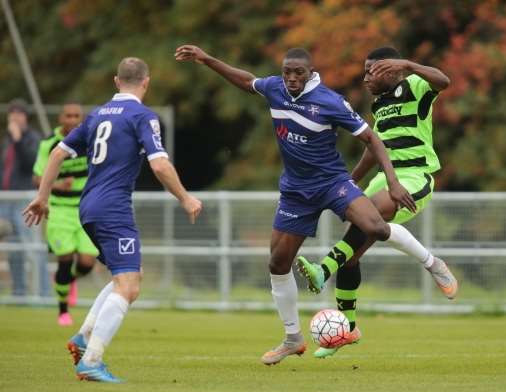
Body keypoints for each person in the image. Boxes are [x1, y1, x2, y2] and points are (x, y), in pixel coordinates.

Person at [175, 44, 440, 366]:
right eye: (287, 72)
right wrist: (207, 59)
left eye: (298, 73)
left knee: (373, 227)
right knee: (277, 262)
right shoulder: (274, 88)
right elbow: (246, 81)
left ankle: (429, 262)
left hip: (332, 183)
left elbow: (371, 139)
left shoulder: (330, 101)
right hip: (296, 192)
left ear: (310, 72)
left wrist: (393, 184)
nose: (291, 79)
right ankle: (292, 339)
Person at [23, 57, 202, 383]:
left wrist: (42, 196)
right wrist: (185, 197)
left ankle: (83, 337)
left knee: (131, 275)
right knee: (129, 287)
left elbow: (57, 153)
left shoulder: (97, 115)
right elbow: (160, 165)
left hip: (88, 206)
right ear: (146, 82)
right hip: (113, 209)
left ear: (116, 81)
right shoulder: (143, 116)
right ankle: (91, 360)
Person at [297, 47, 458, 358]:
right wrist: (350, 181)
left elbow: (445, 81)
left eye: (372, 70)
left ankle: (323, 270)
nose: (365, 77)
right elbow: (374, 149)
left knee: (363, 218)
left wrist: (409, 64)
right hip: (385, 178)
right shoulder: (379, 104)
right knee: (352, 256)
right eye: (365, 70)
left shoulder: (415, 86)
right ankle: (350, 329)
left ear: (392, 70)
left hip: (413, 177)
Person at [33, 102, 99, 326]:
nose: (72, 120)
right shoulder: (49, 144)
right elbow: (36, 177)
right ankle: (63, 311)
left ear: (81, 119)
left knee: (87, 263)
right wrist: (58, 185)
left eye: (76, 116)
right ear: (61, 118)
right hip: (59, 210)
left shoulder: (89, 140)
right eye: (68, 115)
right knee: (65, 259)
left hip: (85, 208)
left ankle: (67, 281)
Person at [0, 99, 49, 297]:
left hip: (24, 201)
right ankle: (19, 292)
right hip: (6, 201)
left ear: (25, 117)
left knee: (32, 248)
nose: (14, 118)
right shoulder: (7, 141)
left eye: (18, 114)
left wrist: (19, 139)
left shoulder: (32, 138)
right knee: (14, 250)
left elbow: (32, 163)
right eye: (11, 114)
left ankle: (44, 294)